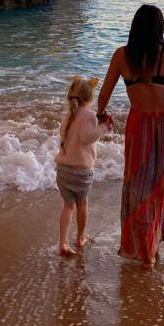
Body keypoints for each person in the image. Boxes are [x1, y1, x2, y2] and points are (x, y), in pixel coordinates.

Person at [97, 5, 164, 269]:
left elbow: (105, 91)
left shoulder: (122, 55)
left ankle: (146, 248)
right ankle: (150, 248)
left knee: (136, 188)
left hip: (138, 126)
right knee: (161, 188)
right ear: (159, 28)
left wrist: (100, 115)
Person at [55, 75, 112, 257]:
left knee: (68, 206)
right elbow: (87, 138)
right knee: (82, 204)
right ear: (90, 98)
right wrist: (103, 127)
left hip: (63, 170)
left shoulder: (70, 115)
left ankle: (63, 243)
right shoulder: (88, 115)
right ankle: (80, 238)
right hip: (81, 172)